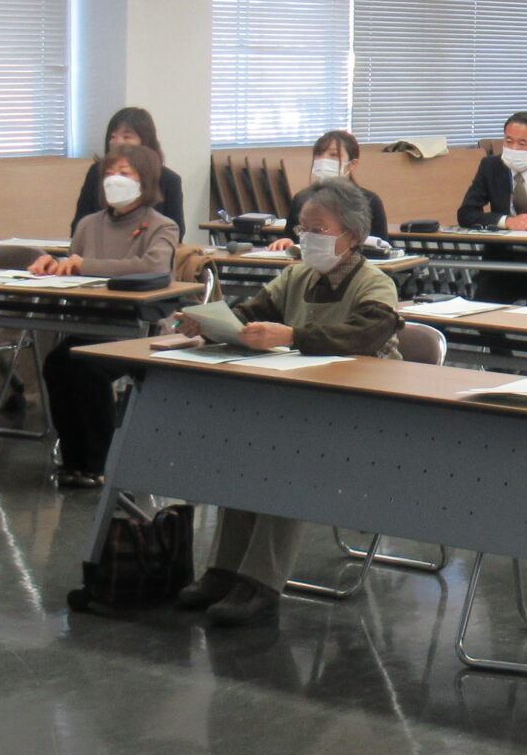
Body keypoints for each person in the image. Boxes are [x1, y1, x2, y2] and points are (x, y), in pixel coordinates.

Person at [172, 179, 401, 630]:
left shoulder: (375, 284)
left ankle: (260, 580)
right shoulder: (296, 276)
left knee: (287, 456)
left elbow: (364, 335)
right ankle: (224, 569)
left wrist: (294, 335)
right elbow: (251, 313)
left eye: (319, 229)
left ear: (352, 235)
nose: (307, 238)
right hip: (301, 405)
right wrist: (209, 324)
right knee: (245, 448)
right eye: (303, 228)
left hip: (360, 413)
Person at [37, 143, 182, 488]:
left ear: (145, 180)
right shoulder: (88, 225)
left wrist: (86, 266)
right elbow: (72, 268)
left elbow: (152, 267)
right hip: (90, 323)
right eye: (110, 173)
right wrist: (52, 266)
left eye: (124, 173)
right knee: (57, 364)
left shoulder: (162, 226)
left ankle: (99, 462)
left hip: (137, 327)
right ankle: (73, 460)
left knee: (87, 368)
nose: (114, 179)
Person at [70, 106, 187, 234]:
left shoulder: (169, 179)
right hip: (100, 242)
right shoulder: (97, 172)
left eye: (126, 137)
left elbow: (176, 232)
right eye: (113, 137)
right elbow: (79, 225)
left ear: (145, 142)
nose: (117, 142)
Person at [267, 131, 387, 243]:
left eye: (334, 155)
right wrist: (285, 242)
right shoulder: (302, 198)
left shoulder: (369, 201)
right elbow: (290, 238)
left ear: (352, 164)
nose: (324, 159)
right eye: (319, 154)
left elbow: (382, 245)